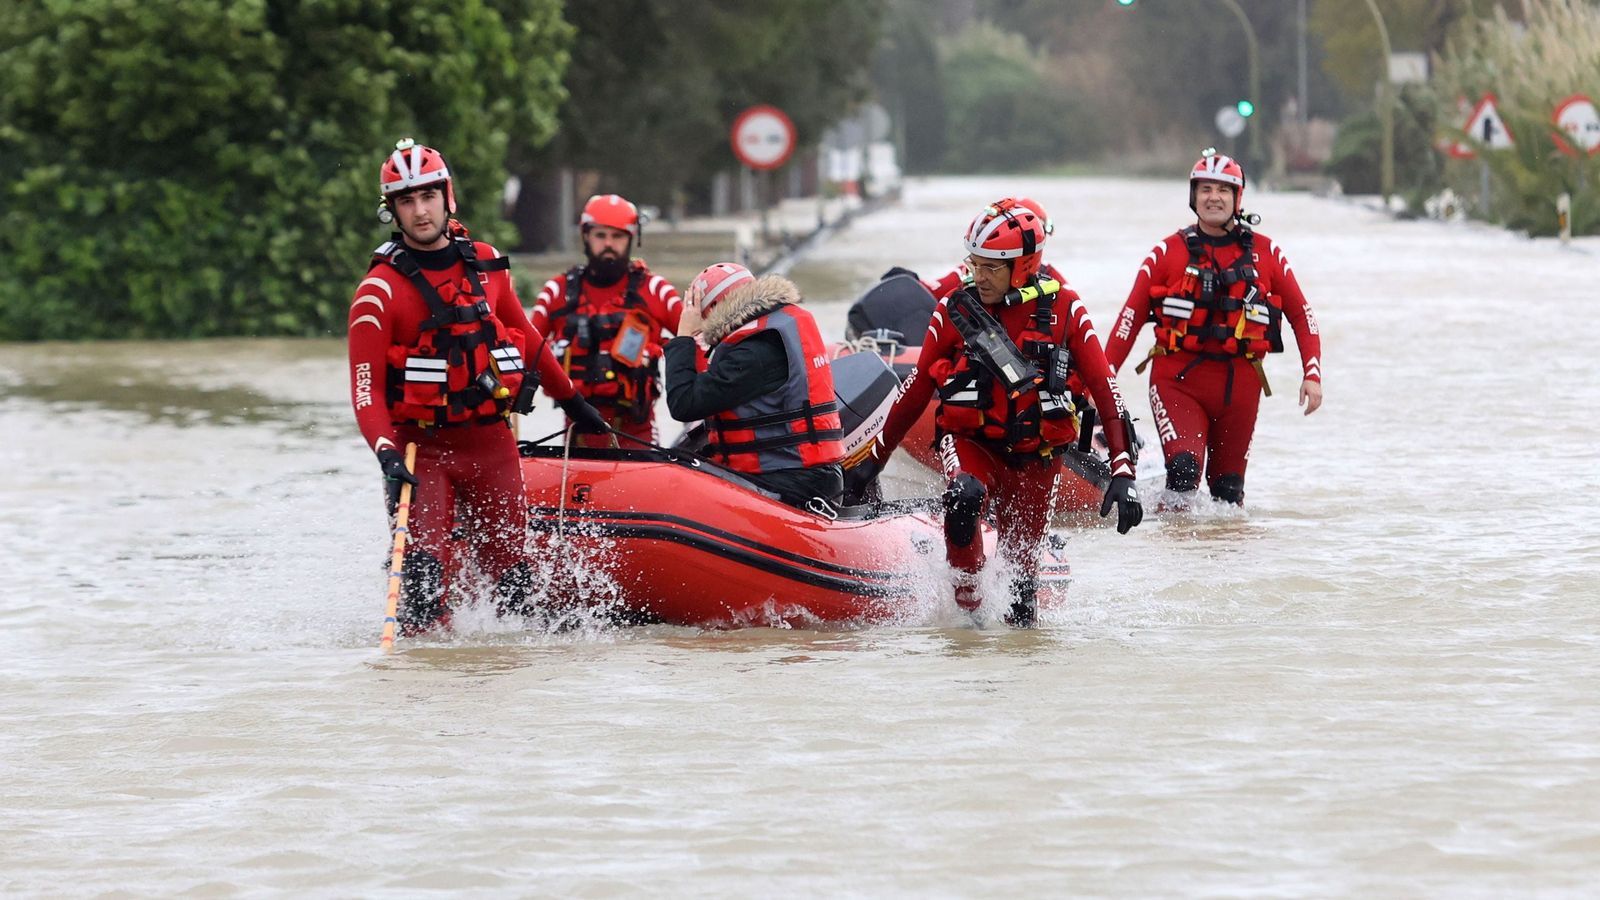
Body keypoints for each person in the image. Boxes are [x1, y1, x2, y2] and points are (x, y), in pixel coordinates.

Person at [348, 138, 609, 634]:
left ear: (448, 197)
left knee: (515, 582)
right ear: (392, 212)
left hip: (491, 446)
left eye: (428, 197)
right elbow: (366, 391)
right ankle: (426, 694)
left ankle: (505, 692)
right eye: (406, 201)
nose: (420, 211)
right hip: (418, 454)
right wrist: (384, 452)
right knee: (422, 587)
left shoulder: (488, 266)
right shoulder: (377, 293)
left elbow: (529, 341)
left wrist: (573, 401)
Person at [848, 199, 1143, 627]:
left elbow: (1105, 389)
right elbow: (915, 393)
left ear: (1021, 266)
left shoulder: (1066, 310)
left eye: (990, 267)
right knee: (963, 496)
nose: (977, 275)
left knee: (1023, 603)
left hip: (1037, 459)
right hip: (973, 443)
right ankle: (966, 613)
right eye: (974, 263)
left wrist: (1122, 471)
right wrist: (871, 463)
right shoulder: (954, 308)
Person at [1104, 151, 1323, 506]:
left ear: (1238, 198)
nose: (1214, 197)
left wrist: (1312, 373)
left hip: (1241, 388)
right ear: (1194, 197)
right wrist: (1102, 381)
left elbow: (1303, 316)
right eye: (1205, 189)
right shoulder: (1166, 253)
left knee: (1228, 494)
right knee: (1184, 473)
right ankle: (1171, 553)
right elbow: (1127, 321)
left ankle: (1225, 557)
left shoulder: (1267, 254)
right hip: (1178, 383)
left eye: (1224, 189)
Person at [662, 263, 845, 508]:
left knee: (679, 497)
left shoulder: (753, 352)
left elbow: (683, 403)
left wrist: (683, 337)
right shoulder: (773, 330)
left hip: (788, 481)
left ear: (716, 308)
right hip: (805, 473)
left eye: (702, 316)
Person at [531, 194, 682, 449]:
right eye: (601, 236)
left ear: (632, 239)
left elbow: (698, 343)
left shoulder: (657, 290)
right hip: (576, 435)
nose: (609, 244)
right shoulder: (556, 292)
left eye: (618, 236)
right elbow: (524, 349)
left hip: (639, 436)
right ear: (585, 236)